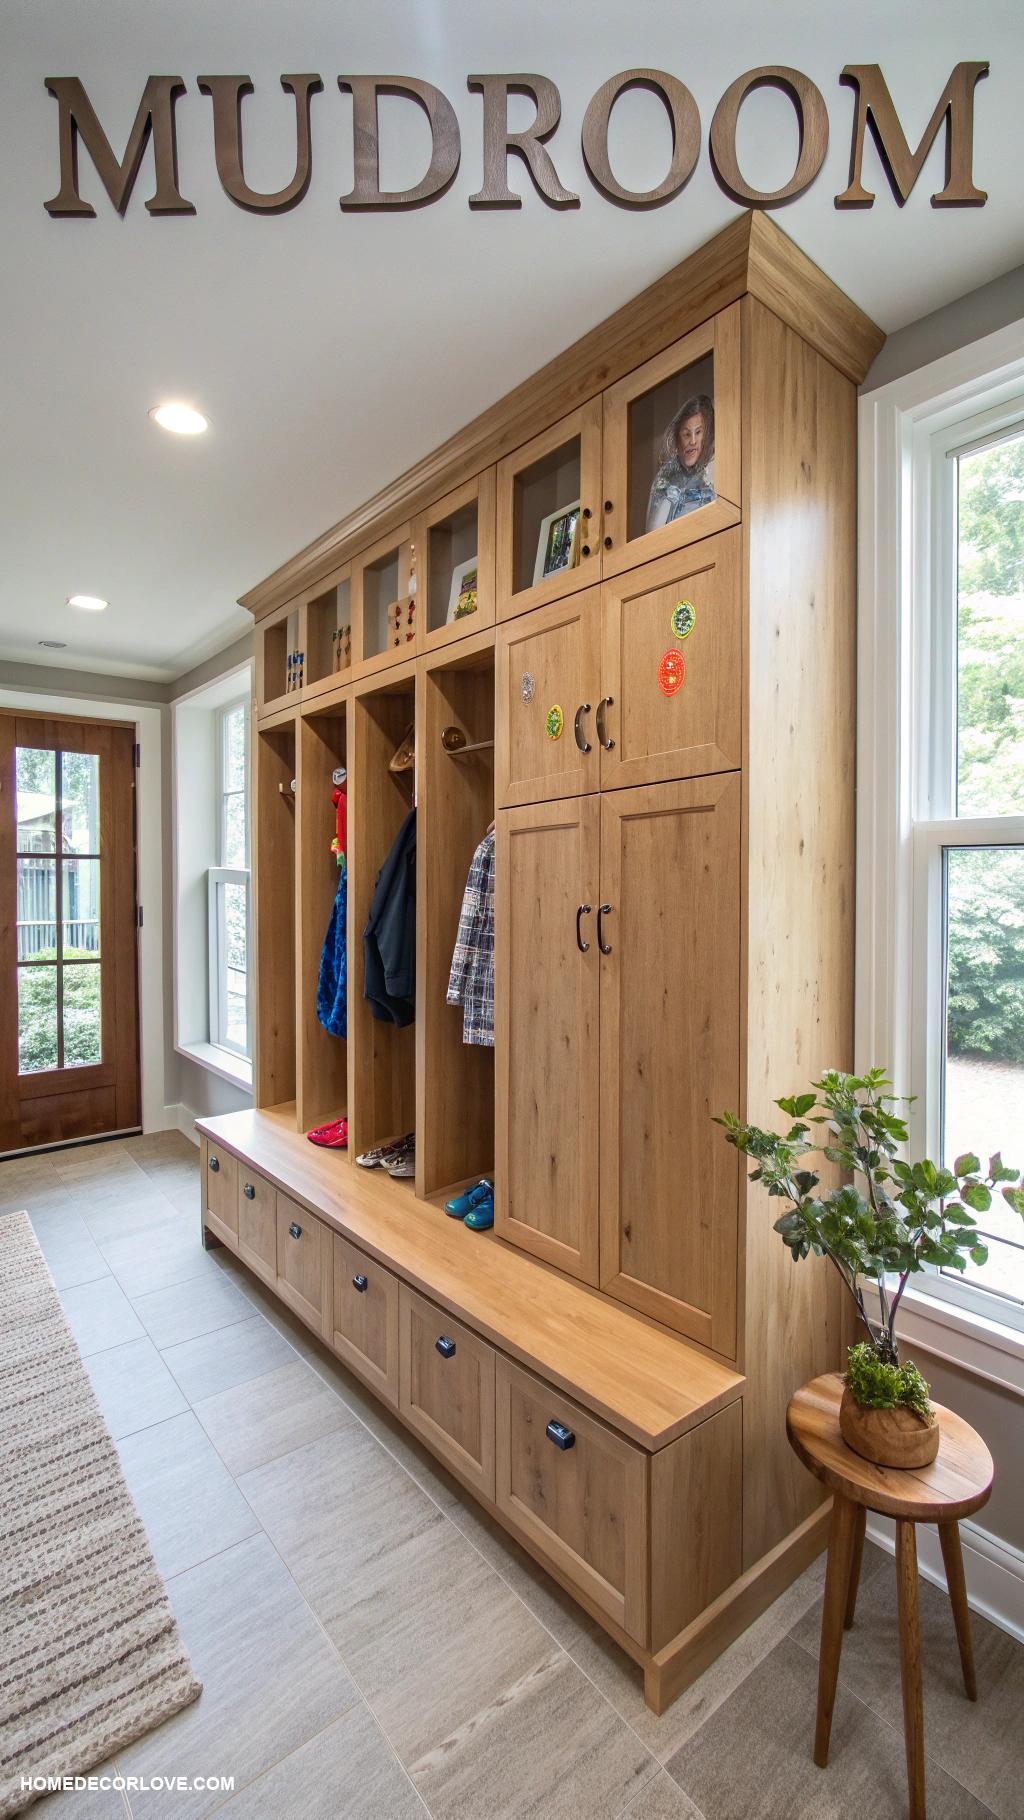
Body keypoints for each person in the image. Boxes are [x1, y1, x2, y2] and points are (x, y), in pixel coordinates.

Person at [645, 394, 716, 531]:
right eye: (686, 434)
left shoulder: (717, 466)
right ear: (678, 438)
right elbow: (652, 535)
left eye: (698, 432)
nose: (693, 441)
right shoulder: (666, 477)